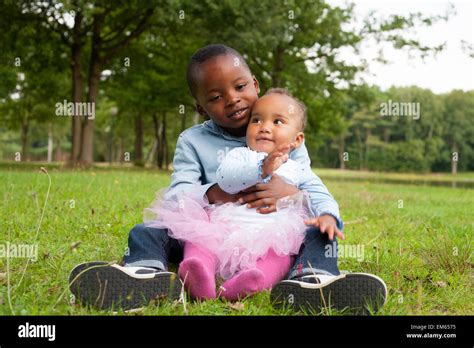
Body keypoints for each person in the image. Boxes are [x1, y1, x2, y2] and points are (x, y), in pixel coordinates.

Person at [70, 44, 386, 313]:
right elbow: (178, 195)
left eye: (239, 87)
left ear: (255, 85)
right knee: (147, 230)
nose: (232, 99)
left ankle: (312, 280)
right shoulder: (193, 141)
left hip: (271, 236)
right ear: (201, 108)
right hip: (210, 235)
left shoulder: (284, 136)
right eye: (216, 96)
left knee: (320, 231)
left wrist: (293, 196)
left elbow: (311, 186)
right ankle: (144, 273)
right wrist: (216, 194)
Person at [144, 88, 320, 301]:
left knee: (283, 253)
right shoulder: (240, 154)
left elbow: (314, 192)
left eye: (277, 122)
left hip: (273, 231)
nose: (264, 128)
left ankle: (254, 281)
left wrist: (291, 194)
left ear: (297, 138)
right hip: (225, 223)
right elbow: (226, 178)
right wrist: (260, 168)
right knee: (197, 237)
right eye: (256, 121)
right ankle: (196, 271)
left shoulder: (295, 164)